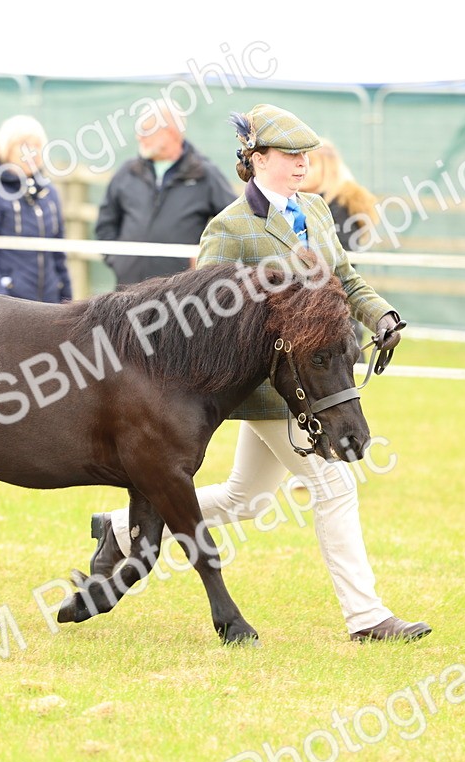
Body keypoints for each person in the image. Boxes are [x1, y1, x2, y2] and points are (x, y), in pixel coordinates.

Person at [86, 103, 431, 643]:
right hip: (272, 391)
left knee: (247, 499)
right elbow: (201, 315)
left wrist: (382, 315)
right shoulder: (229, 228)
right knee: (335, 484)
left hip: (311, 384)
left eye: (305, 155)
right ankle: (367, 619)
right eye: (289, 156)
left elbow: (345, 278)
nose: (301, 164)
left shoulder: (315, 209)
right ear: (257, 159)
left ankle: (120, 529)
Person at [94, 100, 236, 287]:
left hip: (180, 296)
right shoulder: (127, 173)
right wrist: (119, 260)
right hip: (126, 295)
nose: (138, 137)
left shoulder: (205, 174)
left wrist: (205, 261)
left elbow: (233, 224)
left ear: (169, 133)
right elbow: (105, 224)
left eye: (145, 130)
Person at [0, 115, 71, 303]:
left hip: (48, 305)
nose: (31, 152)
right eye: (23, 145)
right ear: (6, 150)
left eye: (37, 145)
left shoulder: (49, 193)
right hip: (7, 306)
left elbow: (58, 254)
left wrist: (66, 298)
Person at [299, 138, 381, 353]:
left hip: (333, 313)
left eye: (311, 163)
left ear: (328, 168)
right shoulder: (310, 205)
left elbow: (337, 268)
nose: (303, 169)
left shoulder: (338, 210)